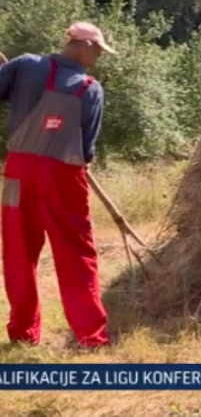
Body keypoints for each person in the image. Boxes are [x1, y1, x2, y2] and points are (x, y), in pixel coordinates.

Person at [0, 22, 116, 348]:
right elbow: (88, 148)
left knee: (17, 250)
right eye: (96, 49)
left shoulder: (23, 65)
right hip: (63, 174)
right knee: (76, 253)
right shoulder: (89, 88)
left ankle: (23, 333)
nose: (98, 56)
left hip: (16, 172)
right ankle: (92, 336)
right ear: (79, 44)